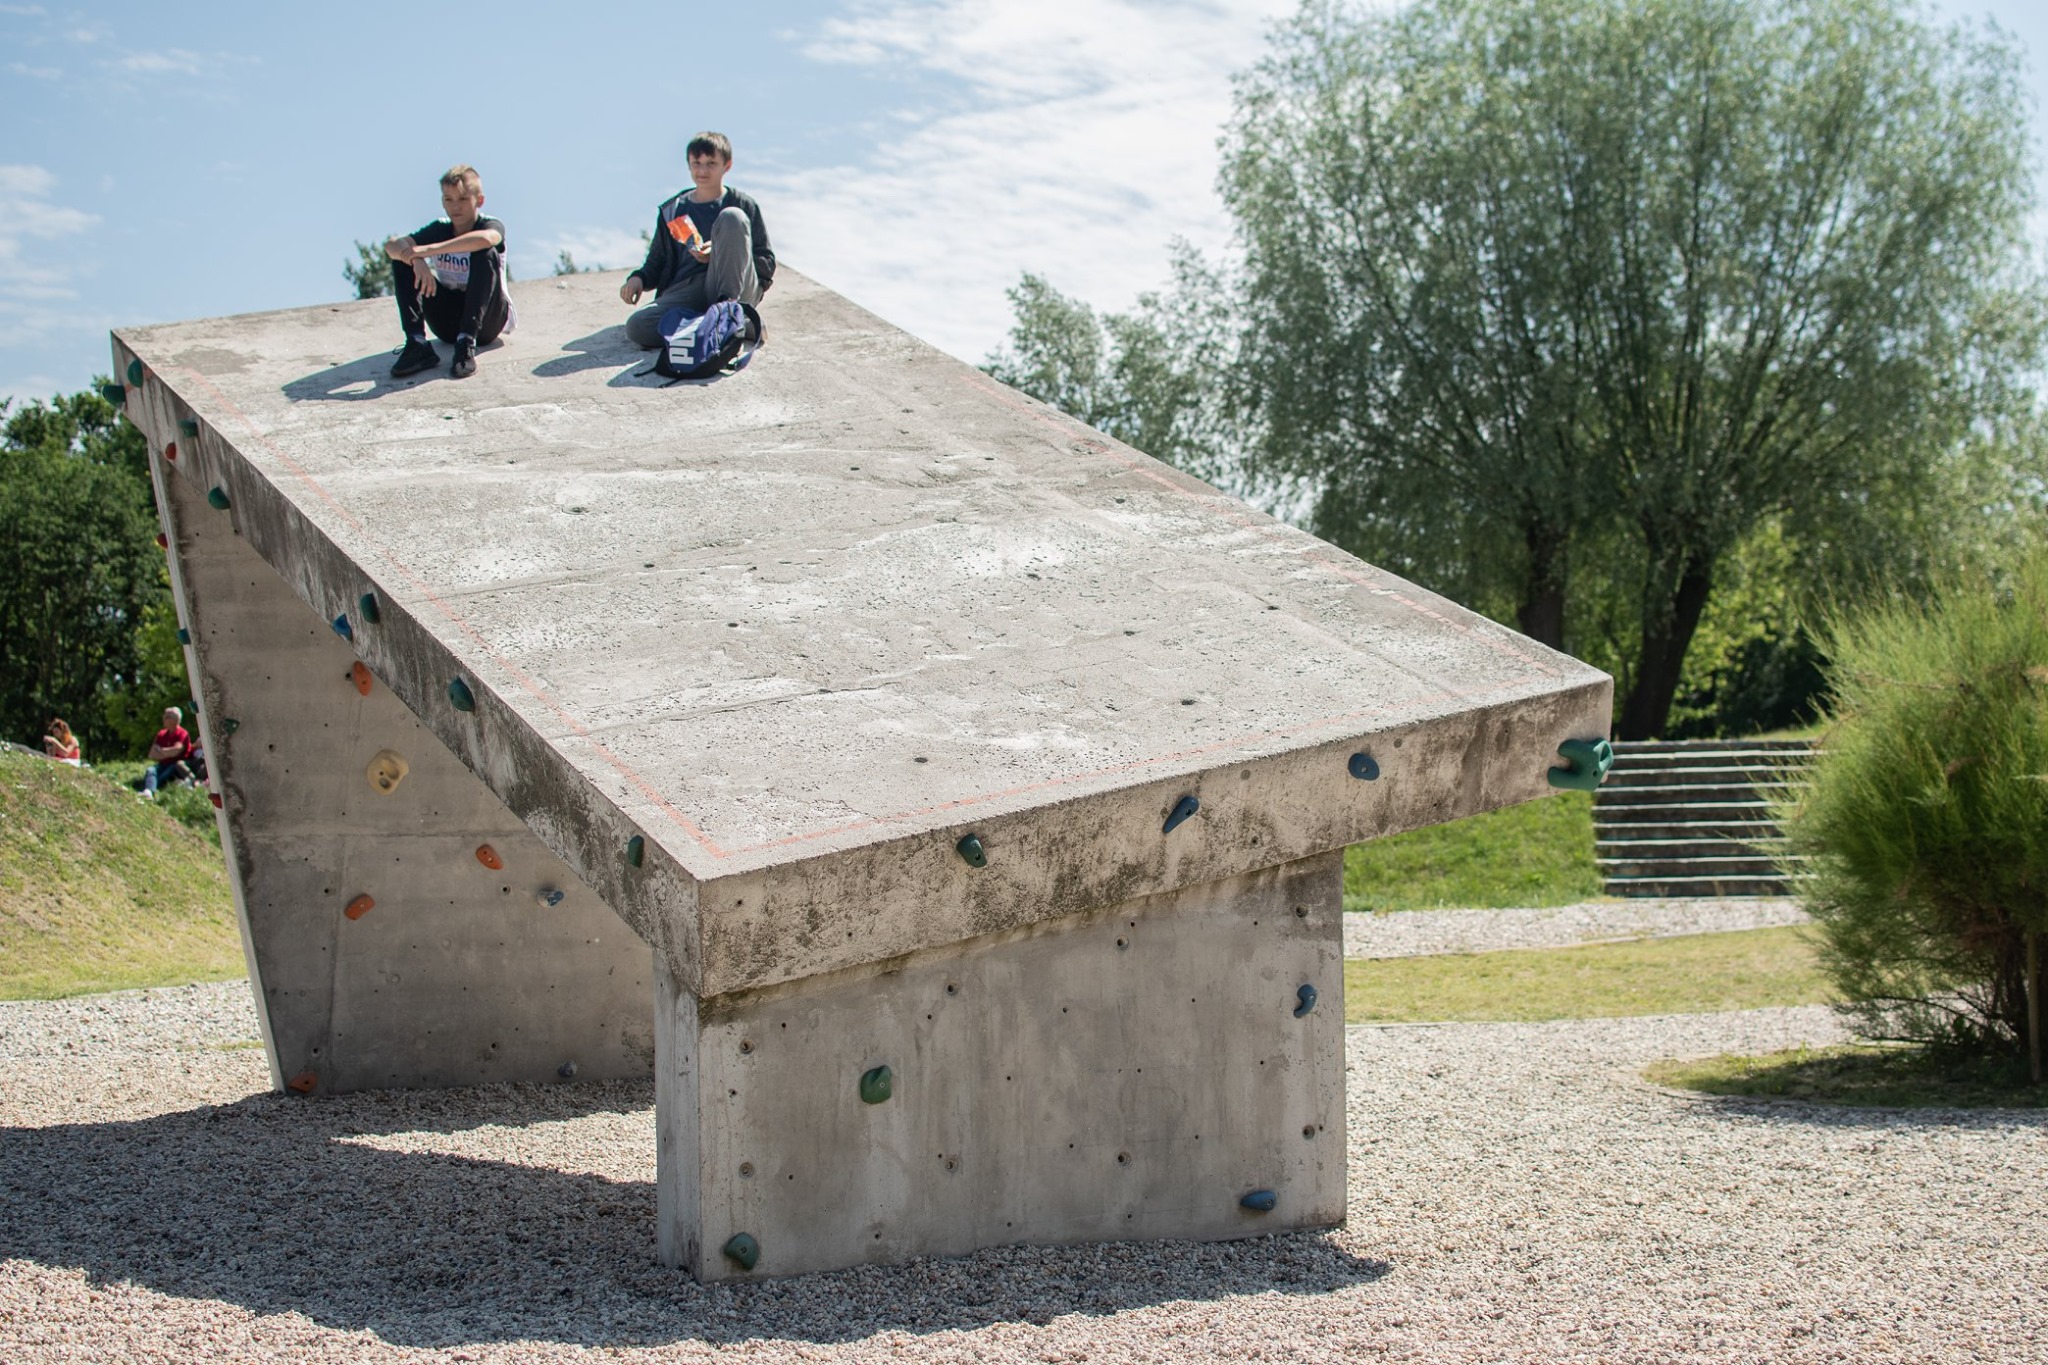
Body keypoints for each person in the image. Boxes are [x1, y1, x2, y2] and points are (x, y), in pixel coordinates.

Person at [621, 132, 775, 350]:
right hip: (689, 290)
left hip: (736, 288)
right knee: (637, 326)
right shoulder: (673, 209)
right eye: (697, 163)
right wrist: (639, 278)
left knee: (732, 217)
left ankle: (728, 316)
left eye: (711, 163)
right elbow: (656, 262)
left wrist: (724, 252)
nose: (703, 171)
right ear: (688, 165)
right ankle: (721, 325)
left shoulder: (743, 204)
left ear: (727, 165)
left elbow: (766, 263)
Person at [384, 165, 515, 380]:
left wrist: (428, 250)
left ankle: (466, 343)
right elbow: (391, 245)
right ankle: (417, 343)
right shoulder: (440, 228)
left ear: (479, 200)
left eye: (462, 199)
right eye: (448, 199)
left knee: (485, 252)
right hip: (448, 322)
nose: (455, 206)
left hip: (487, 322)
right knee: (402, 259)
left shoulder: (489, 224)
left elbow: (487, 239)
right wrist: (416, 259)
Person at [140, 706, 193, 799]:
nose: (163, 718)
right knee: (151, 770)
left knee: (163, 776)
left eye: (166, 717)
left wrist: (160, 751)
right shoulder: (162, 733)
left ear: (174, 720)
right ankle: (149, 791)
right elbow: (152, 754)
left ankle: (152, 790)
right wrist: (168, 753)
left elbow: (176, 751)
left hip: (175, 765)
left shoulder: (182, 733)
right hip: (162, 764)